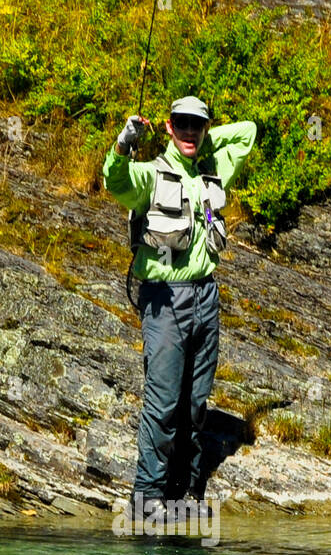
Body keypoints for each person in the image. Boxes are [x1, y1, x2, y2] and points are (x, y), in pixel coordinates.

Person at [102, 96, 256, 516]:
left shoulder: (213, 170)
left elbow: (247, 132)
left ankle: (184, 489)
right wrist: (123, 144)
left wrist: (203, 144)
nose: (190, 131)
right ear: (169, 127)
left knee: (194, 402)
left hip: (206, 297)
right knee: (164, 401)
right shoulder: (149, 174)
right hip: (164, 300)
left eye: (197, 125)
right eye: (182, 124)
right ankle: (147, 498)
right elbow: (114, 181)